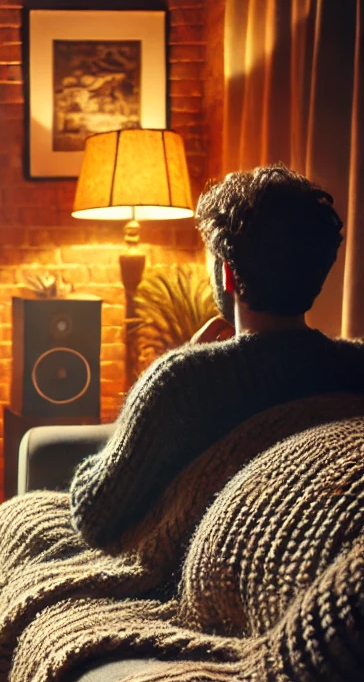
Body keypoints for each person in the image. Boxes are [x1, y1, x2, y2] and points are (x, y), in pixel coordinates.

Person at [69, 162, 364, 549]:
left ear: (225, 273)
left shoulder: (183, 381)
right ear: (319, 270)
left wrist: (191, 363)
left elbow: (93, 515)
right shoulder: (354, 367)